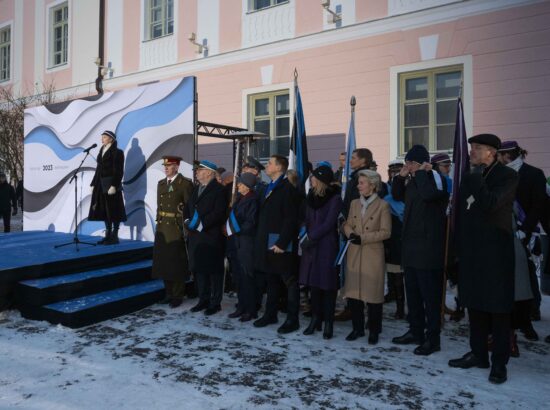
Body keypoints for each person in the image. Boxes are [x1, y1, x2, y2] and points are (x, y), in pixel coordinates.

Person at [448, 134, 518, 385]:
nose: (472, 152)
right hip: (472, 253)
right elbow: (464, 213)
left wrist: (476, 179)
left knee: (498, 310)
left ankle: (499, 362)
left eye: (477, 148)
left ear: (491, 152)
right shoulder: (470, 175)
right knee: (475, 306)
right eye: (472, 148)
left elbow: (490, 204)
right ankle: (478, 354)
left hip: (496, 254)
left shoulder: (507, 176)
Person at [391, 144, 449, 356]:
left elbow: (429, 195)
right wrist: (400, 177)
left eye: (411, 163)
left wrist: (423, 172)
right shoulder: (413, 180)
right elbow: (396, 195)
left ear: (423, 163)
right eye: (407, 163)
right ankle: (415, 331)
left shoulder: (434, 177)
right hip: (411, 247)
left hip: (428, 248)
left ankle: (433, 339)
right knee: (413, 294)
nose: (408, 167)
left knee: (429, 297)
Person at [498, 140, 546, 322]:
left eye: (500, 155)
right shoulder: (501, 175)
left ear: (506, 155)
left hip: (526, 228)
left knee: (528, 270)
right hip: (506, 227)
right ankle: (515, 309)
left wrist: (525, 230)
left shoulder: (534, 174)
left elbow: (538, 205)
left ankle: (533, 308)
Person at [342, 169, 391, 344]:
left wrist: (362, 238)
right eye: (359, 182)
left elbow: (386, 232)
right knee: (354, 295)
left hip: (372, 254)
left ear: (372, 185)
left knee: (373, 296)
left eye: (362, 183)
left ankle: (374, 331)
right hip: (355, 252)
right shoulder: (354, 203)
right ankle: (357, 328)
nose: (358, 186)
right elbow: (347, 223)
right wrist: (349, 234)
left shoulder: (383, 205)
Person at [253, 155, 300, 334]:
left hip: (280, 243)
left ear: (279, 168)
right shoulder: (269, 187)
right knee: (271, 279)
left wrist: (282, 242)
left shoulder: (287, 188)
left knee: (289, 281)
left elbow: (290, 219)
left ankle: (292, 319)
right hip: (267, 241)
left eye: (270, 163)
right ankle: (270, 314)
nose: (267, 165)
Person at [299, 165, 343, 339]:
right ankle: (315, 319)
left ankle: (328, 323)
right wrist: (303, 231)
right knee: (314, 285)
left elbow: (329, 223)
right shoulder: (311, 196)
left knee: (328, 285)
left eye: (314, 178)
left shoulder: (334, 198)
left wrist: (311, 236)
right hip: (311, 246)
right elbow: (306, 219)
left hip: (326, 246)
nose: (311, 180)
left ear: (321, 180)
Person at [185, 160, 227, 315]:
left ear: (209, 172)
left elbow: (219, 212)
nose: (197, 172)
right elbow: (187, 208)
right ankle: (203, 300)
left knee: (213, 272)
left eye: (200, 170)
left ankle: (215, 303)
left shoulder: (219, 190)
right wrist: (187, 221)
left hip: (211, 237)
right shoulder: (196, 189)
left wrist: (201, 225)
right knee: (199, 270)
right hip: (196, 237)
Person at [152, 156, 194, 308]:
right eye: (165, 165)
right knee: (164, 263)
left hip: (177, 227)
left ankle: (178, 295)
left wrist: (187, 228)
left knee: (176, 263)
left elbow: (189, 208)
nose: (166, 168)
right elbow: (159, 206)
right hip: (163, 227)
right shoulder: (161, 184)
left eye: (169, 166)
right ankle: (168, 293)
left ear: (177, 167)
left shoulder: (185, 184)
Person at [226, 172, 259, 322]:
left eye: (240, 183)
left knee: (247, 278)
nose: (238, 185)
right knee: (239, 278)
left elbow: (251, 223)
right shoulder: (239, 199)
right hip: (236, 243)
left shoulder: (253, 200)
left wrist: (235, 228)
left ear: (247, 186)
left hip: (246, 244)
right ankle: (241, 306)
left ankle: (251, 310)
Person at [88, 130, 127, 244]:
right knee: (104, 210)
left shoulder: (118, 152)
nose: (102, 139)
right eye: (102, 137)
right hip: (101, 184)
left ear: (111, 139)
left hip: (111, 185)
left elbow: (119, 170)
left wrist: (114, 185)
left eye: (104, 137)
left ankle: (114, 236)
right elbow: (98, 170)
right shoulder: (101, 151)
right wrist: (93, 183)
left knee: (114, 210)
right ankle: (108, 234)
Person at [383, 160, 406, 319]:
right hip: (387, 234)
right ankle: (392, 294)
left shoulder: (407, 188)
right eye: (392, 171)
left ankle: (400, 307)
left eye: (398, 170)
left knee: (399, 274)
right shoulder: (384, 188)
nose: (395, 173)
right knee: (390, 271)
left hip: (401, 234)